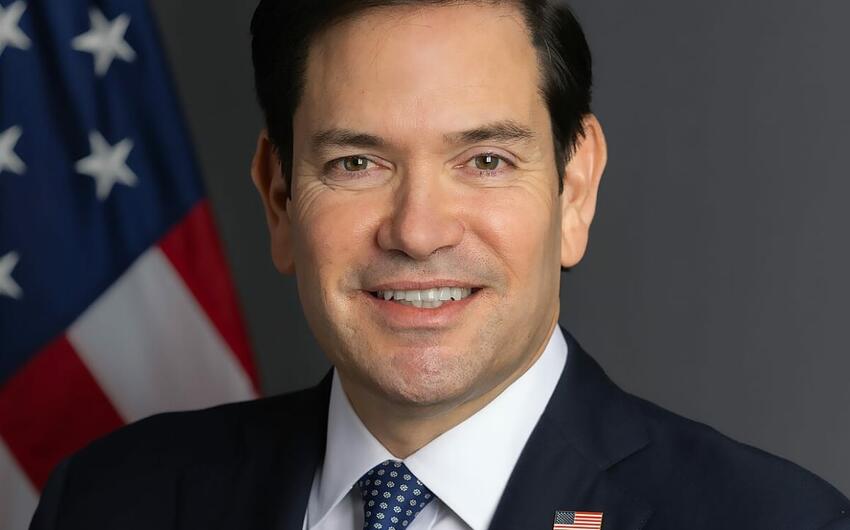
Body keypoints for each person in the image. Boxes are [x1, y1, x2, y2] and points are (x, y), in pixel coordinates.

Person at [30, 1, 850, 529]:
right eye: (357, 163)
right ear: (279, 198)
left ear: (574, 189)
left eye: (486, 160)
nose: (418, 232)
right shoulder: (104, 504)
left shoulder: (775, 520)